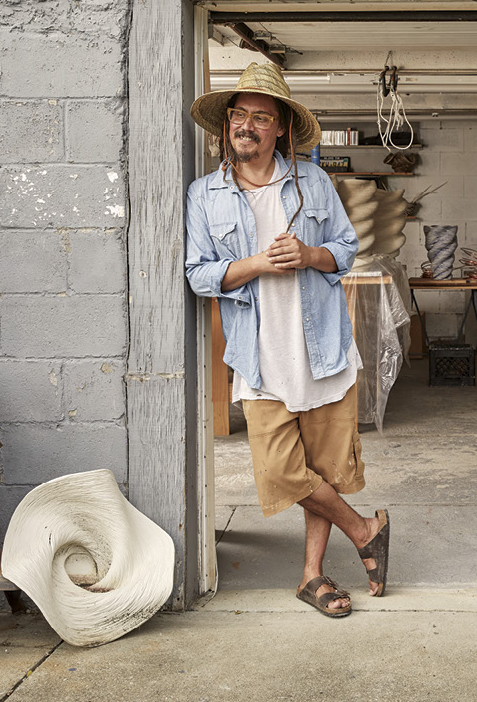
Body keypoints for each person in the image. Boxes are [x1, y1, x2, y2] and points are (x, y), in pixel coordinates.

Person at [185, 62, 389, 618]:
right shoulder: (205, 195)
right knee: (279, 470)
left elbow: (344, 251)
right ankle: (364, 529)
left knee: (322, 472)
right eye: (239, 115)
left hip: (322, 353)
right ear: (228, 124)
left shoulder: (313, 183)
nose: (246, 125)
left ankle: (312, 577)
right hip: (258, 358)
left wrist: (308, 256)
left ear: (279, 129)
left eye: (260, 117)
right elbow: (199, 275)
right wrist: (253, 264)